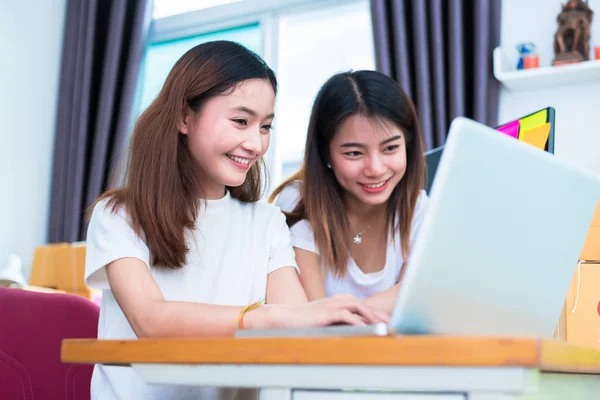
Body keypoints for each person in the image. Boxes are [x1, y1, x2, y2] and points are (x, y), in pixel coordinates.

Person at [84, 41, 385, 400]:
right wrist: (262, 318)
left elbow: (297, 324)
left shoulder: (267, 223)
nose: (256, 144)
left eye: (266, 127)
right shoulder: (120, 215)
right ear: (184, 117)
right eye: (241, 121)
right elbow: (151, 319)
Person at [271, 70, 429, 317]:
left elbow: (416, 299)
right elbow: (314, 318)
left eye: (390, 148)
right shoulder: (299, 202)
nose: (375, 169)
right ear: (325, 155)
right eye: (354, 153)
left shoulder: (421, 210)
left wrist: (340, 313)